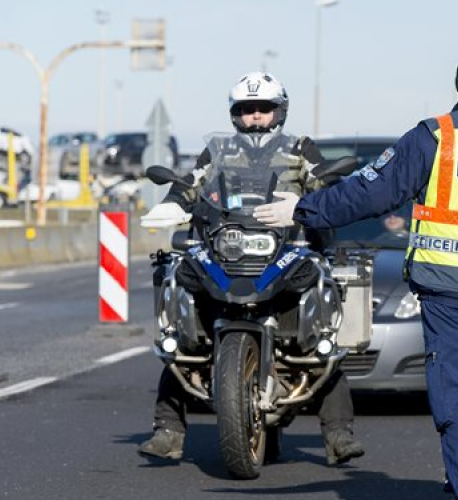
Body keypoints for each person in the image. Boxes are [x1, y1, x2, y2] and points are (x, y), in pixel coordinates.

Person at [254, 45, 458, 499]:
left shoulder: (437, 136)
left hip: (449, 288)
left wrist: (304, 209)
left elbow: (370, 191)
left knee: (456, 393)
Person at [138, 71, 365, 466]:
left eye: (263, 108)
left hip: (287, 245)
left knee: (326, 346)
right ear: (234, 114)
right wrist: (173, 203)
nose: (255, 116)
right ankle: (168, 430)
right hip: (228, 245)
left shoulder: (299, 147)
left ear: (279, 110)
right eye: (246, 110)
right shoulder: (219, 150)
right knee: (179, 343)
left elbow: (321, 182)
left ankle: (338, 435)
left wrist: (326, 192)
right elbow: (192, 182)